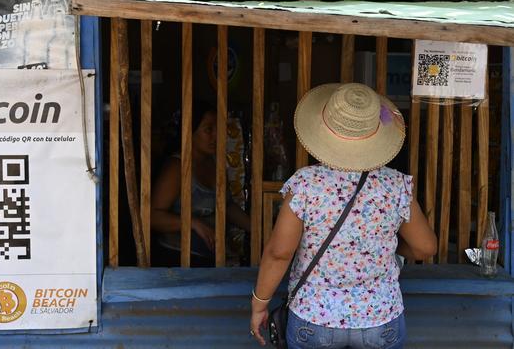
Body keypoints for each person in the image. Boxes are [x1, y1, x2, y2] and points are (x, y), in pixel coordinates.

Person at [249, 83, 437, 348]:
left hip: (314, 317)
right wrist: (389, 247)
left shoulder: (306, 184)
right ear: (375, 135)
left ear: (324, 130)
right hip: (380, 318)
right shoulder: (396, 186)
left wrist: (259, 304)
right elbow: (425, 246)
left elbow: (279, 253)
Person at [151, 102, 251, 267]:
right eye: (208, 129)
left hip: (210, 259)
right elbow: (152, 217)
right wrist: (193, 223)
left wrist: (258, 231)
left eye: (218, 129)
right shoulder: (177, 168)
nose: (216, 136)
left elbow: (226, 206)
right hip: (176, 260)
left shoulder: (216, 164)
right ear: (189, 131)